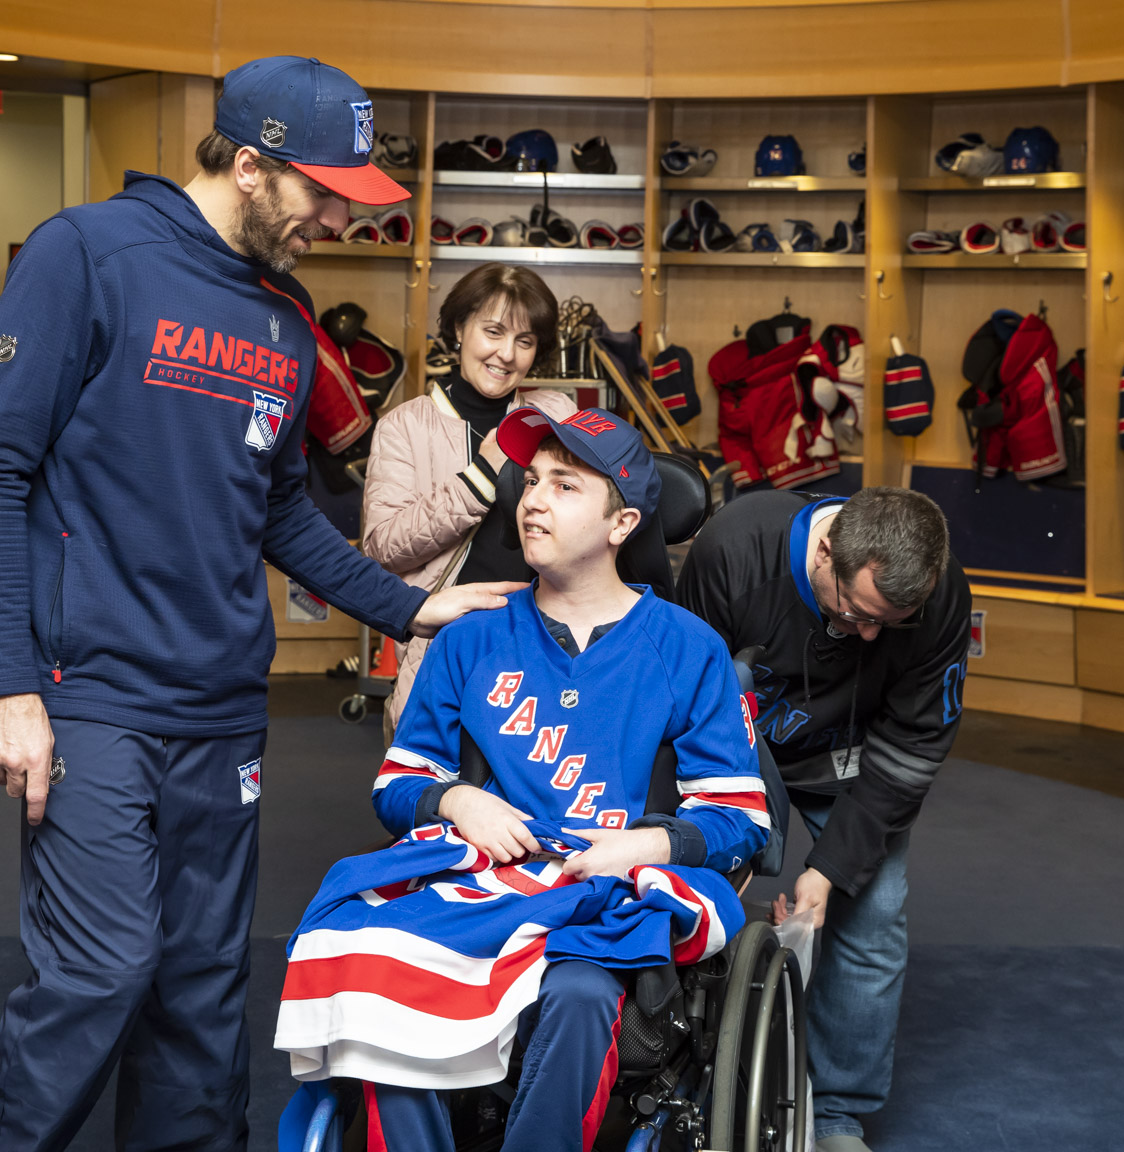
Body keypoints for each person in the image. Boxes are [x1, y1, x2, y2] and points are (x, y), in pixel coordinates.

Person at [0, 56, 521, 1152]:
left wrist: (405, 608)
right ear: (250, 167)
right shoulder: (86, 255)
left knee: (204, 997)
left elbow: (281, 511)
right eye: (320, 195)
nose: (332, 223)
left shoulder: (282, 312)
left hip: (221, 708)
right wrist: (6, 687)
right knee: (101, 972)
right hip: (94, 697)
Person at [277, 406, 769, 1150]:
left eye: (564, 486)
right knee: (368, 957)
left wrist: (645, 848)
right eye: (530, 480)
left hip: (603, 898)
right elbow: (397, 786)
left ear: (621, 522)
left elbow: (742, 820)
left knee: (576, 992)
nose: (532, 499)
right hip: (483, 884)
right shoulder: (471, 638)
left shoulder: (686, 648)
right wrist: (455, 798)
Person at [676, 485, 971, 1152]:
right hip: (738, 741)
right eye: (858, 611)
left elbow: (913, 746)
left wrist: (831, 869)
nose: (868, 635)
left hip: (852, 754)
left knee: (874, 909)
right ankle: (687, 1065)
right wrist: (725, 836)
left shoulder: (940, 589)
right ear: (827, 550)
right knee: (697, 888)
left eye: (890, 624)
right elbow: (681, 695)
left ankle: (836, 1111)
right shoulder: (735, 547)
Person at [360, 262, 576, 736]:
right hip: (450, 641)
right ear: (460, 328)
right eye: (493, 332)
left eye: (524, 341)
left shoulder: (555, 412)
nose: (506, 354)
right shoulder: (405, 426)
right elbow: (382, 548)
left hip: (546, 640)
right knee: (438, 791)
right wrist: (481, 476)